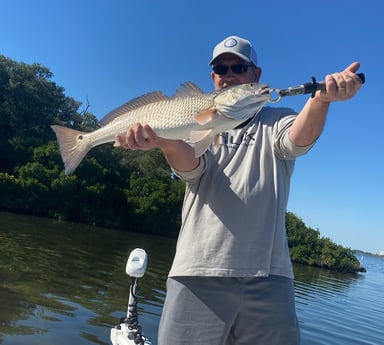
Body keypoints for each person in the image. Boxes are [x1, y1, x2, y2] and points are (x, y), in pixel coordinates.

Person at [116, 35, 362, 345]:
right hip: (197, 269)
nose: (229, 75)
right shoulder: (193, 121)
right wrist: (165, 142)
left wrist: (320, 100)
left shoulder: (277, 119)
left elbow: (298, 140)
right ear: (213, 77)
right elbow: (191, 168)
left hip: (269, 274)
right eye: (221, 68)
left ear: (256, 76)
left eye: (239, 68)